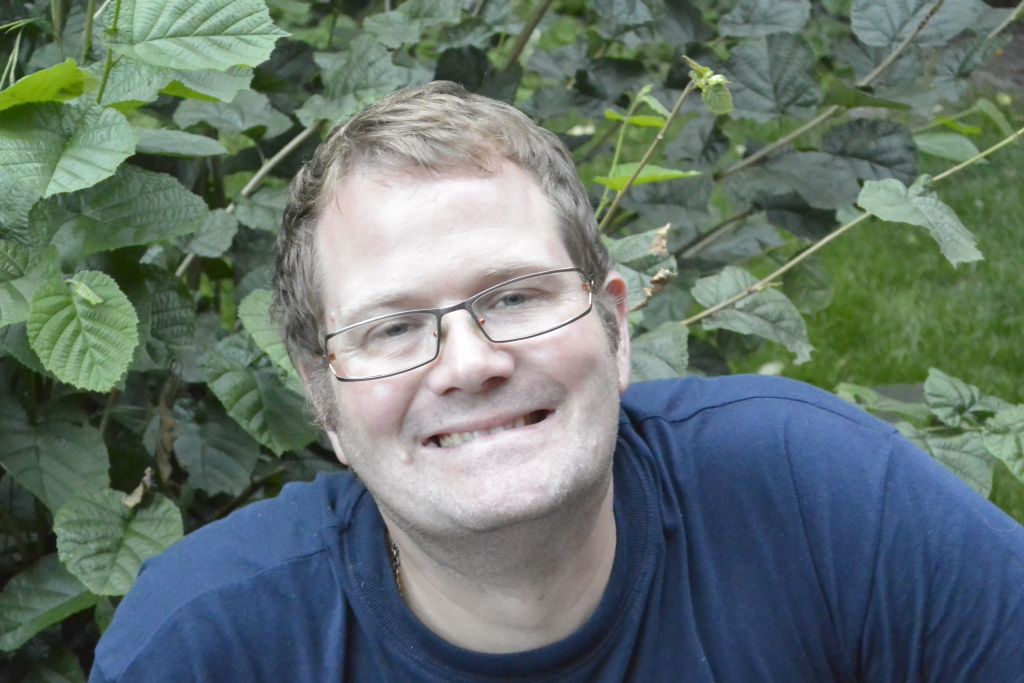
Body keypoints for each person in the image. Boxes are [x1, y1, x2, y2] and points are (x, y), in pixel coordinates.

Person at [90, 81, 1024, 682]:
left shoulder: (818, 499)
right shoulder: (207, 646)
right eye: (394, 327)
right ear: (323, 398)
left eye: (515, 296)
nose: (470, 363)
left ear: (616, 329)